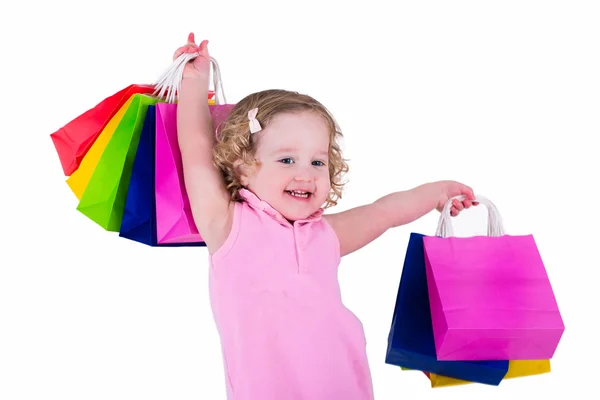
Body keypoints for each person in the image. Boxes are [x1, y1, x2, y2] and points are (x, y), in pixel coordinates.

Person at [174, 32, 477, 400]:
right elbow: (196, 147)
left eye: (318, 161)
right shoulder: (228, 225)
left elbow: (384, 212)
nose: (306, 173)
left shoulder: (325, 234)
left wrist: (437, 193)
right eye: (287, 159)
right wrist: (194, 81)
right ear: (241, 168)